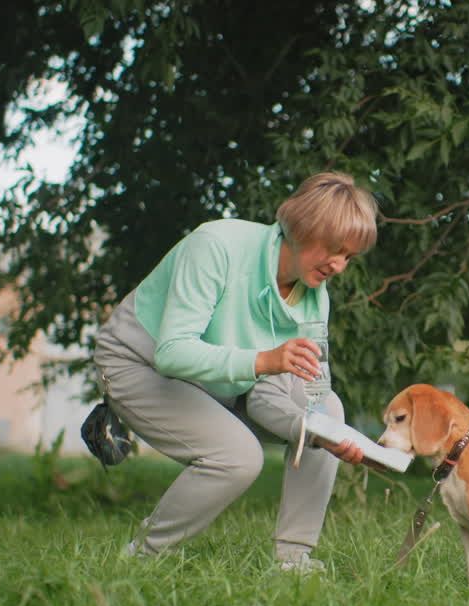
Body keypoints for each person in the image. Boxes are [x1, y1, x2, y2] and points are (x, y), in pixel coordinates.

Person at [92, 172, 377, 572]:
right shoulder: (217, 246)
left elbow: (292, 396)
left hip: (223, 382)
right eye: (334, 248)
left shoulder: (314, 297)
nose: (339, 265)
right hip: (139, 363)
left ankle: (294, 560)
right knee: (238, 457)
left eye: (350, 255)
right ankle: (140, 558)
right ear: (301, 227)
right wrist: (263, 360)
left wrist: (322, 435)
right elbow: (172, 352)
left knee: (327, 411)